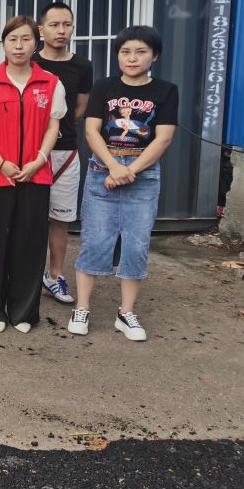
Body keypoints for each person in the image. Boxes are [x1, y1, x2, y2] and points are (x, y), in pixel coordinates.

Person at [68, 26, 178, 342]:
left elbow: (163, 138)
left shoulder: (166, 90)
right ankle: (82, 307)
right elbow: (91, 131)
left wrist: (131, 170)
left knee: (136, 243)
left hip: (144, 174)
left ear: (154, 56)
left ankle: (126, 313)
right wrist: (114, 167)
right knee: (94, 239)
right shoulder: (104, 87)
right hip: (103, 168)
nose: (132, 58)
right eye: (125, 52)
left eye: (141, 52)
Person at [0, 15, 64, 334]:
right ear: (3, 44)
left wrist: (39, 160)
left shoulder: (51, 83)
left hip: (35, 175)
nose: (19, 46)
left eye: (25, 39)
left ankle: (23, 310)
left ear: (36, 43)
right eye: (12, 39)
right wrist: (0, 162)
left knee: (30, 243)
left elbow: (53, 126)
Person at [31, 1, 92, 305]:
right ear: (41, 29)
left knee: (60, 218)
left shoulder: (82, 66)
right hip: (30, 152)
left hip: (65, 151)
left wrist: (58, 128)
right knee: (29, 218)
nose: (61, 30)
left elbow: (79, 108)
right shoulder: (29, 61)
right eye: (54, 25)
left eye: (66, 24)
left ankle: (55, 276)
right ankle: (27, 275)